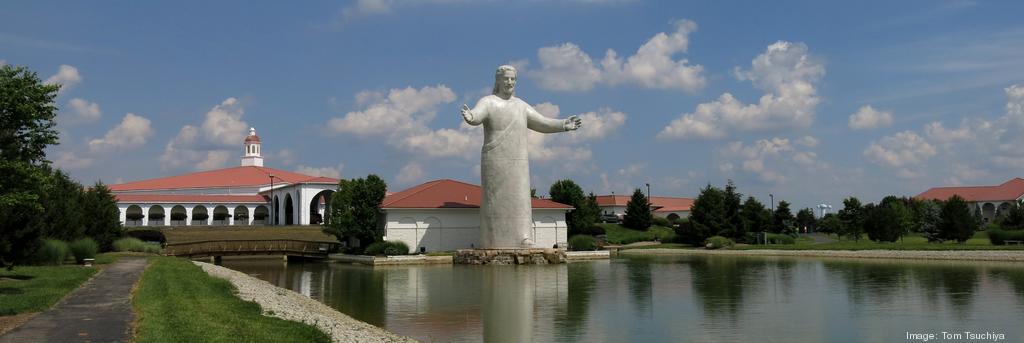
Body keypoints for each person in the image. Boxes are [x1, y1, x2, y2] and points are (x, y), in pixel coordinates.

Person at [461, 65, 582, 248]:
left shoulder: (521, 105)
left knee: (520, 198)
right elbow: (477, 115)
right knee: (495, 199)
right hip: (495, 158)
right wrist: (471, 116)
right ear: (498, 80)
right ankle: (493, 241)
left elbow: (542, 123)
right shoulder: (488, 101)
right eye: (506, 78)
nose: (510, 82)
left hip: (518, 160)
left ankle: (524, 238)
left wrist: (563, 124)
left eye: (513, 79)